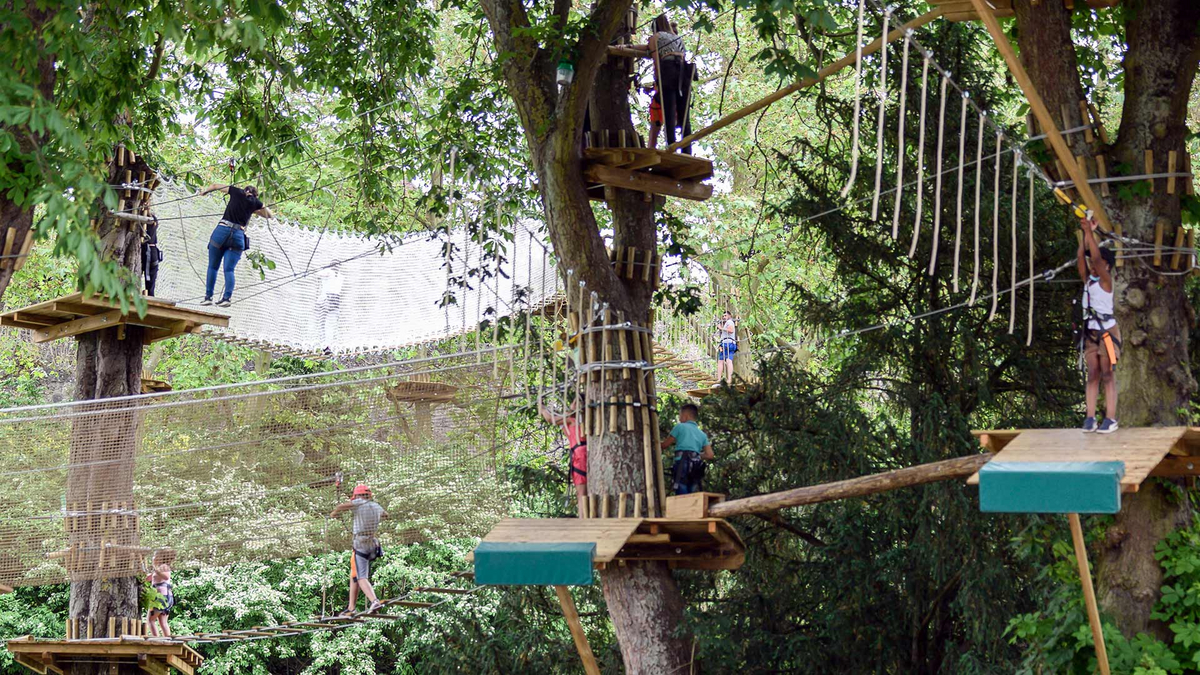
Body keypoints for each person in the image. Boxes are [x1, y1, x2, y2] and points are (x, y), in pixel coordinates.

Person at [1076, 215, 1119, 433]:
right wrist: (1086, 233)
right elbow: (1082, 257)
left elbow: (1093, 254)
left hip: (1108, 333)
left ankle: (1110, 418)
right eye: (1093, 265)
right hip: (1090, 332)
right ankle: (1090, 417)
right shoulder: (1088, 281)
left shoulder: (1106, 281)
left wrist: (1090, 234)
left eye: (1098, 264)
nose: (1094, 266)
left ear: (1107, 266)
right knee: (1092, 373)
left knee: (1107, 372)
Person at [198, 183, 272, 307]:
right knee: (229, 269)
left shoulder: (236, 192)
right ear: (255, 195)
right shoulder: (255, 202)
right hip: (238, 236)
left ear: (245, 191)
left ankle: (208, 297)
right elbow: (269, 215)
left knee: (213, 267)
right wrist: (255, 208)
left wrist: (204, 192)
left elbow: (215, 185)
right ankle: (227, 298)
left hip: (222, 231)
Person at [330, 484, 386, 615]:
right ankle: (351, 607)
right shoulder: (376, 506)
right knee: (354, 574)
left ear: (357, 496)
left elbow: (340, 506)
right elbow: (386, 515)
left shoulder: (359, 503)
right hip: (373, 545)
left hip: (360, 544)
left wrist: (334, 514)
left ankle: (374, 601)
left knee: (361, 577)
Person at [634, 16, 687, 150]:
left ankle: (671, 147)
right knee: (684, 113)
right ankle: (687, 150)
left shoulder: (656, 37)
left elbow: (656, 59)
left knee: (668, 112)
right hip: (683, 72)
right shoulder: (677, 38)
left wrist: (658, 79)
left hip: (668, 70)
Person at [540, 398, 587, 516]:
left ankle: (584, 521)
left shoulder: (572, 420)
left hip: (580, 456)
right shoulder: (579, 420)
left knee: (582, 494)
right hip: (584, 454)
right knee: (585, 493)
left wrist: (541, 408)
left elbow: (550, 418)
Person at [661, 403, 714, 495]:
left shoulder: (680, 427)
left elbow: (665, 445)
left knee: (681, 488)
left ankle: (682, 508)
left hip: (682, 463)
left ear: (685, 416)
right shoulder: (701, 434)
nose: (679, 419)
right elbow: (710, 455)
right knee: (691, 490)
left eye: (680, 416)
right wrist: (696, 455)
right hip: (696, 465)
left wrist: (653, 442)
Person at [145, 548, 176, 637]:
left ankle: (156, 639)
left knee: (150, 620)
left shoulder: (163, 567)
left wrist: (155, 569)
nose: (153, 558)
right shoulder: (159, 568)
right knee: (162, 622)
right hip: (165, 596)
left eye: (154, 555)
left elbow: (166, 576)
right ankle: (167, 639)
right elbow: (149, 578)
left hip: (161, 597)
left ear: (159, 557)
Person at [317, 264, 344, 352]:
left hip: (331, 299)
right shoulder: (337, 275)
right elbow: (319, 274)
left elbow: (318, 274)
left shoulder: (336, 275)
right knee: (327, 324)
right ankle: (326, 345)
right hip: (331, 300)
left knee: (327, 324)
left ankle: (327, 345)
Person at [716, 310, 737, 384]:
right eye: (723, 316)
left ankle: (719, 379)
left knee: (721, 361)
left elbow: (731, 330)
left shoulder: (729, 322)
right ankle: (729, 379)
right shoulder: (728, 323)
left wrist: (721, 328)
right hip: (731, 344)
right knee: (728, 361)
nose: (724, 317)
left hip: (726, 343)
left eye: (725, 315)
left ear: (730, 316)